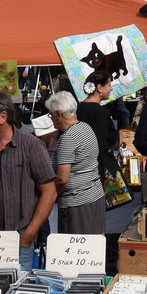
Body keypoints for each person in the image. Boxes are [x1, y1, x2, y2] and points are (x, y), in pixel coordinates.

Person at [0, 88, 57, 251]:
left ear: (2, 117)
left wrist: (29, 234)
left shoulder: (30, 146)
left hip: (19, 242)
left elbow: (49, 192)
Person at [47, 91, 106, 233]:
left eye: (51, 114)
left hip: (77, 203)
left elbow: (62, 179)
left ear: (59, 114)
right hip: (94, 197)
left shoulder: (69, 137)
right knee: (92, 246)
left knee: (75, 250)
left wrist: (51, 196)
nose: (51, 118)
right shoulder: (85, 127)